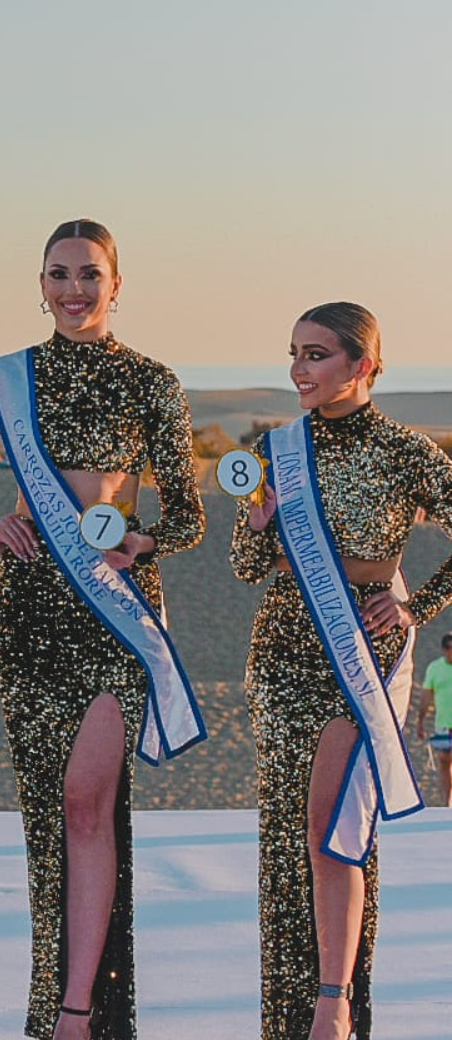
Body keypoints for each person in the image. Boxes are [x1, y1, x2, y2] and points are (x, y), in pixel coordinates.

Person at [0, 220, 205, 1040]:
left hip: (116, 614)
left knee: (88, 805)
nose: (74, 290)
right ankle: (56, 1008)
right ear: (39, 286)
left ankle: (82, 1011)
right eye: (58, 275)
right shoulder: (4, 378)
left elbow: (185, 516)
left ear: (118, 285)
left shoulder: (154, 381)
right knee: (49, 818)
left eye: (90, 275)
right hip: (29, 617)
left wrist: (143, 539)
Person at [230, 303, 452, 1040]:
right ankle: (286, 1017)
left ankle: (335, 1003)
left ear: (362, 363)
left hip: (358, 652)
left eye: (317, 354)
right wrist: (258, 526)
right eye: (293, 352)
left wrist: (416, 604)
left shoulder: (405, 450)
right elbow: (244, 567)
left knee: (334, 830)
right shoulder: (276, 447)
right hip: (281, 656)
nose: (299, 369)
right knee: (290, 839)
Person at [418, 633, 452, 807]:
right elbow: (426, 696)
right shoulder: (435, 668)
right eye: (449, 648)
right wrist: (420, 721)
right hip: (443, 725)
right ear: (444, 649)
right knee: (445, 762)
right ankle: (447, 802)